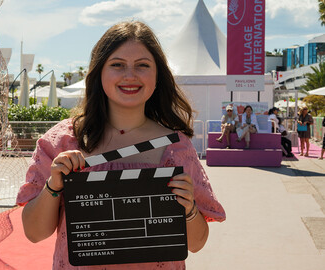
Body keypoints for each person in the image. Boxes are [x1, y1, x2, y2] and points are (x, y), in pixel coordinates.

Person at [17, 21, 225, 269]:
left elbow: (197, 243)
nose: (130, 75)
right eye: (117, 65)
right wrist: (53, 187)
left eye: (143, 65)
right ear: (98, 72)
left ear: (157, 75)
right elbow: (34, 233)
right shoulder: (61, 141)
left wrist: (189, 208)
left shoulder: (177, 147)